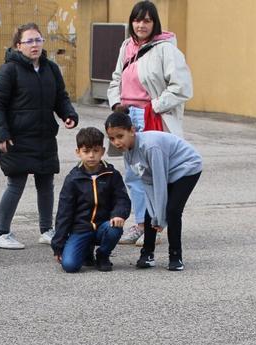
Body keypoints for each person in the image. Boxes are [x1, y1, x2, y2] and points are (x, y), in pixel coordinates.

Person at [107, 1, 192, 246]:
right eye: (137, 20)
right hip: (127, 117)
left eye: (146, 20)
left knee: (155, 173)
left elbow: (182, 87)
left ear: (154, 23)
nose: (141, 25)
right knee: (134, 174)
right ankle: (141, 223)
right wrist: (116, 104)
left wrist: (154, 106)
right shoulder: (127, 46)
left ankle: (154, 222)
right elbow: (115, 79)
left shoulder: (166, 50)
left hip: (151, 115)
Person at [0, 22, 77, 250]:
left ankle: (47, 230)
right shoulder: (9, 70)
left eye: (38, 40)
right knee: (15, 183)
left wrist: (68, 114)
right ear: (18, 45)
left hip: (44, 136)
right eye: (29, 41)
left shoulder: (51, 69)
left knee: (46, 183)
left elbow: (61, 97)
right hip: (17, 138)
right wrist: (1, 134)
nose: (34, 45)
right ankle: (2, 232)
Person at [105, 110, 201, 271]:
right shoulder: (128, 153)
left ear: (132, 131)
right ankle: (147, 255)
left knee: (172, 211)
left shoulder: (150, 147)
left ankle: (176, 256)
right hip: (166, 172)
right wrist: (155, 214)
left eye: (120, 136)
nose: (116, 142)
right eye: (112, 138)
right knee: (150, 211)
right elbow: (147, 183)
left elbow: (160, 182)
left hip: (187, 167)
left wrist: (161, 219)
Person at [51, 127, 129, 273]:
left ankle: (103, 255)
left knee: (115, 228)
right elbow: (64, 213)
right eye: (86, 151)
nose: (91, 156)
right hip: (80, 229)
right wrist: (58, 245)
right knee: (70, 266)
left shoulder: (112, 174)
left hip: (103, 226)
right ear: (78, 152)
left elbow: (122, 199)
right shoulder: (73, 179)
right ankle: (86, 250)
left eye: (96, 151)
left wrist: (118, 214)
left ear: (103, 151)